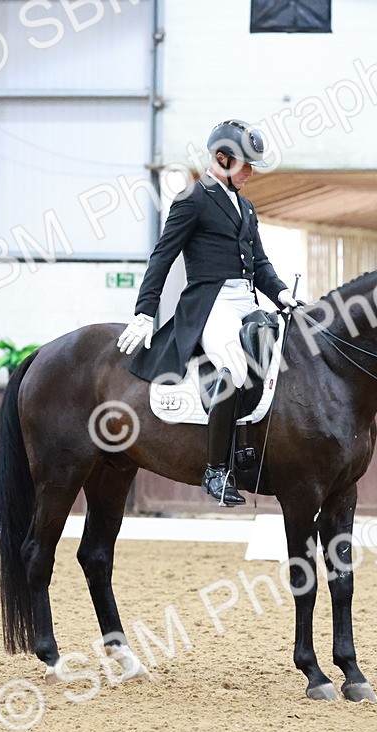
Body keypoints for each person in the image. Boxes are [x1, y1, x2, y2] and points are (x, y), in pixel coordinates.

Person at [117, 119, 304, 506]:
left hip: (247, 303)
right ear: (222, 158)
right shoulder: (193, 199)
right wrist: (145, 311)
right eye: (245, 165)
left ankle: (253, 449)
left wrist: (283, 294)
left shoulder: (246, 206)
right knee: (233, 369)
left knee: (283, 360)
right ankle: (216, 470)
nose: (250, 172)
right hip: (212, 304)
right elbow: (163, 256)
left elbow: (260, 263)